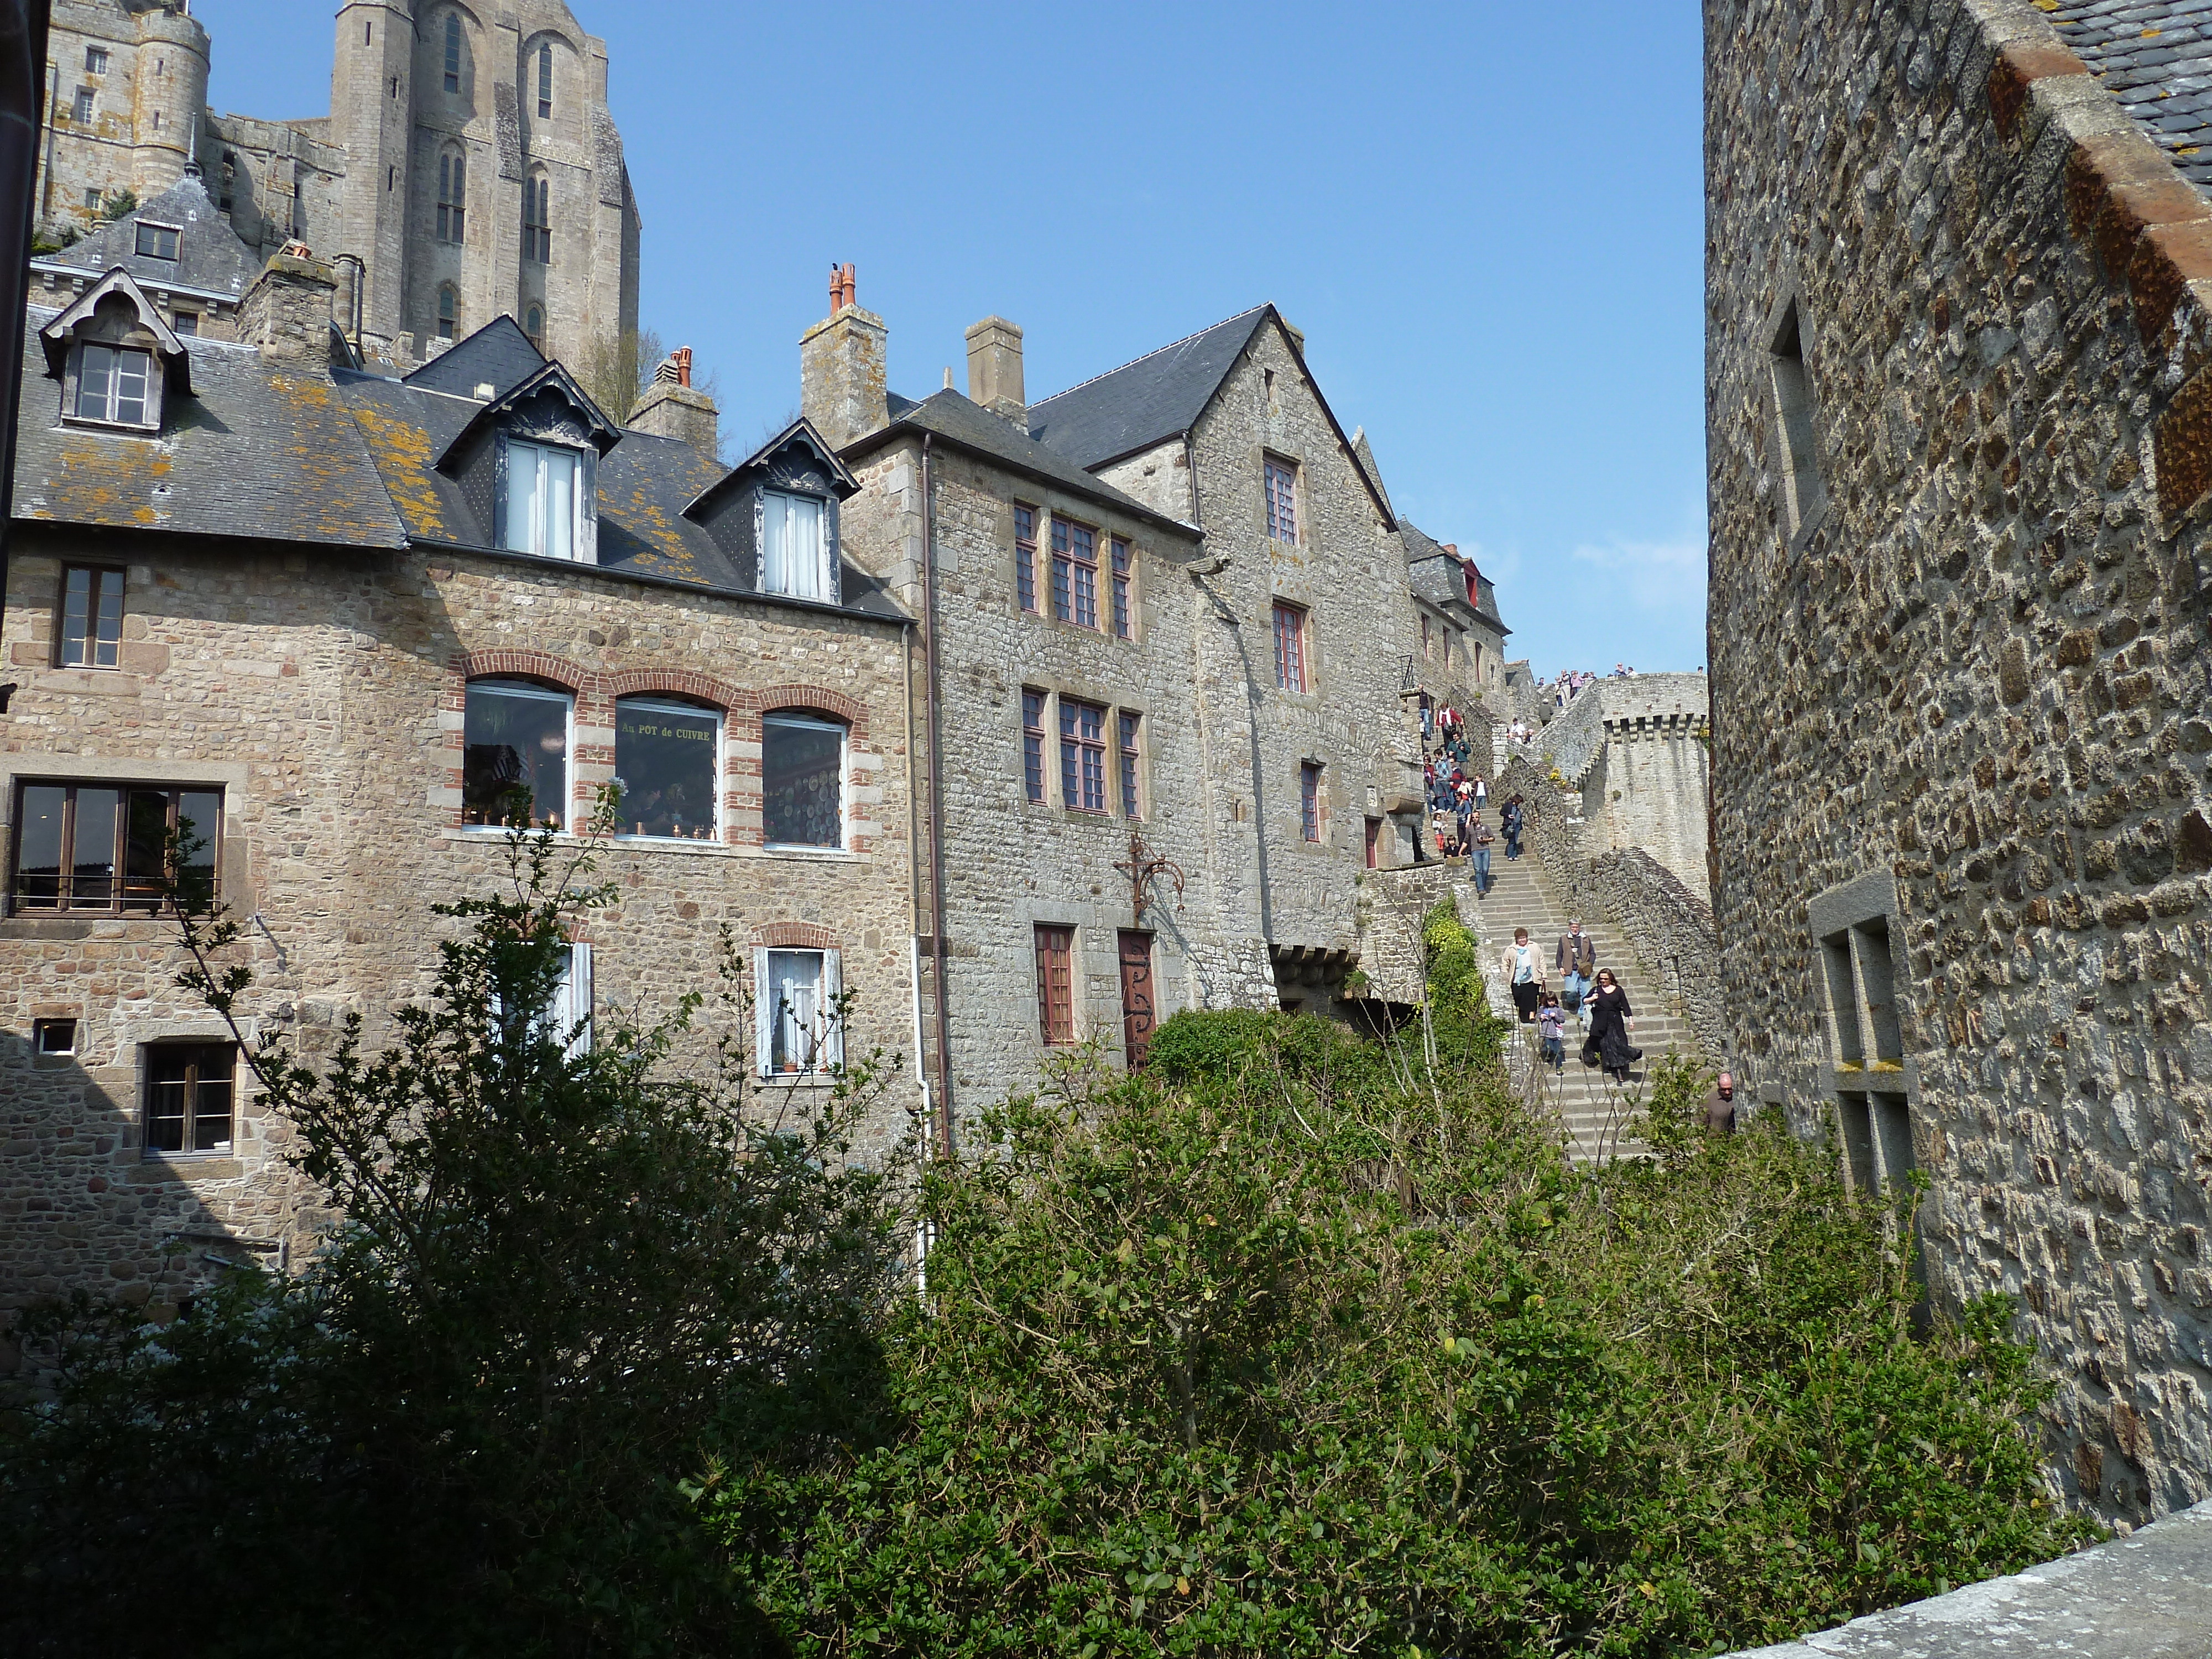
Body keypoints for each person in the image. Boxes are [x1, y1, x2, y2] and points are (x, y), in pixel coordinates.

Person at [1583, 968, 1637, 1084]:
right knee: (1604, 1043)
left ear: (1611, 979)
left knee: (1618, 1042)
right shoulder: (1596, 990)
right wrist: (1593, 998)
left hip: (1615, 1020)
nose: (1603, 981)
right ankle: (1608, 1066)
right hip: (1600, 1021)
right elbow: (1585, 1000)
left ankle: (1620, 1069)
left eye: (1605, 979)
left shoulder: (1618, 990)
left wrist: (1631, 1021)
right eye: (1601, 979)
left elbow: (1626, 1006)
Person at [1556, 919, 1595, 1024]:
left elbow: (1592, 953)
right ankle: (1571, 1001)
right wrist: (1560, 967)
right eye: (1573, 927)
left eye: (1576, 927)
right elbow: (1559, 955)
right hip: (1570, 969)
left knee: (1586, 992)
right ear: (1569, 927)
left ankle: (1582, 1013)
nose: (1575, 929)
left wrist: (1590, 964)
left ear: (1579, 927)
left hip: (1584, 970)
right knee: (1571, 990)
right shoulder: (1564, 939)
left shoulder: (1586, 939)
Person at [1502, 926, 1545, 1023]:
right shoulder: (1511, 949)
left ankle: (1531, 1016)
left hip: (1532, 978)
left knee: (1532, 997)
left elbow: (1541, 960)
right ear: (1516, 939)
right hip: (1517, 979)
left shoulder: (1534, 946)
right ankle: (1522, 1016)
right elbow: (1505, 962)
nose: (1522, 940)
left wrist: (1544, 974)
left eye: (1524, 938)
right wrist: (1505, 974)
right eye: (1520, 938)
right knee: (1518, 997)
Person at [1537, 992, 1567, 1072]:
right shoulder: (1542, 1009)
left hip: (1556, 1033)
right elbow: (1537, 1016)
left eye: (1553, 1001)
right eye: (1549, 1001)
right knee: (1550, 1048)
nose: (1551, 1003)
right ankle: (1549, 1056)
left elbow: (1562, 1020)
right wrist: (1541, 1016)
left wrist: (1556, 1016)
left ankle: (1559, 1068)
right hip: (1546, 1033)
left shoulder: (1558, 1009)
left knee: (1557, 1052)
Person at [1707, 1071, 1738, 1135]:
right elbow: (1699, 1122)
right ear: (1718, 1086)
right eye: (1723, 1090)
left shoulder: (1739, 1099)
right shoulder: (1709, 1100)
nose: (1727, 1093)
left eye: (1730, 1089)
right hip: (1715, 1142)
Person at [1469, 814, 1495, 894]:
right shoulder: (1469, 828)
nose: (1475, 819)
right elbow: (1466, 840)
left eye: (1476, 817)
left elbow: (1493, 838)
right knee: (1478, 870)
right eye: (1473, 817)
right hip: (1475, 850)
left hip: (1485, 849)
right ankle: (1480, 889)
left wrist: (1485, 840)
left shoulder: (1486, 826)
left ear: (1479, 817)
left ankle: (1482, 886)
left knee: (1485, 869)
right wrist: (1460, 851)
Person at [1501, 795, 1524, 860]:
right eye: (1519, 801)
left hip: (1517, 826)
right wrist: (1508, 816)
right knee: (1512, 841)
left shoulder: (1516, 807)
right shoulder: (1508, 805)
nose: (1520, 803)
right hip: (1510, 825)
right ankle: (1510, 855)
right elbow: (1502, 812)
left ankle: (1515, 855)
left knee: (1515, 840)